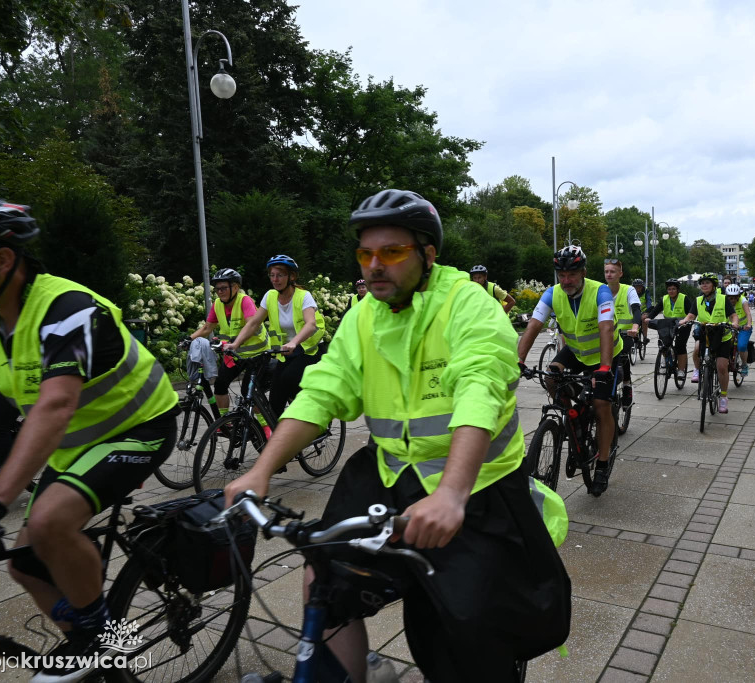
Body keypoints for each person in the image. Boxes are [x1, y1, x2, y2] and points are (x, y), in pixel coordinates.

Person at [223, 189, 571, 683]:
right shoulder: (363, 315)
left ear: (428, 255)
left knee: (462, 636)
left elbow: (481, 389)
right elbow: (322, 391)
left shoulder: (467, 304)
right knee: (324, 574)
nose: (374, 265)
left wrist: (451, 494)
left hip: (477, 488)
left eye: (391, 252)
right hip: (389, 473)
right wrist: (261, 470)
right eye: (366, 253)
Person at [0, 197, 179, 682]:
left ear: (2, 258)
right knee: (23, 565)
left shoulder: (65, 308)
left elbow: (55, 405)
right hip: (76, 445)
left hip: (139, 427)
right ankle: (88, 645)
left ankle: (104, 640)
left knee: (49, 521)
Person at [517, 244, 622, 496]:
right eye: (561, 275)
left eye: (572, 275)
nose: (566, 280)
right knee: (553, 377)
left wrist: (605, 368)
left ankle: (603, 464)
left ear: (583, 272)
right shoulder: (552, 294)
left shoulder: (601, 292)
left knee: (600, 404)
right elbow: (533, 325)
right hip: (576, 351)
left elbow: (606, 328)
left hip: (604, 353)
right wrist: (518, 360)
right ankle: (572, 417)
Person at [229, 255, 326, 420]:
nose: (275, 279)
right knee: (275, 400)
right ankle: (284, 435)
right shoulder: (270, 296)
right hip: (286, 352)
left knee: (289, 379)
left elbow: (311, 324)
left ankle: (313, 413)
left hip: (310, 349)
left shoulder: (303, 296)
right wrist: (235, 344)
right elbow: (254, 323)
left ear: (291, 277)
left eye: (280, 275)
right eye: (272, 275)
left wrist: (294, 342)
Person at [189, 268, 270, 414]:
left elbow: (252, 325)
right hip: (234, 354)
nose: (220, 292)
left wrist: (235, 343)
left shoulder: (245, 301)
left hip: (257, 355)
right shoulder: (218, 304)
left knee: (249, 392)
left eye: (224, 288)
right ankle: (225, 422)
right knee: (220, 385)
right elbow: (208, 327)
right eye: (217, 289)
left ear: (236, 287)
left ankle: (265, 428)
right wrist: (188, 339)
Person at [690, 273, 739, 413]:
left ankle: (723, 397)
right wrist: (685, 320)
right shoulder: (698, 299)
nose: (704, 285)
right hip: (706, 335)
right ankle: (698, 371)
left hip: (722, 336)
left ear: (713, 285)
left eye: (707, 282)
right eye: (702, 283)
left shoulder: (723, 299)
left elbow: (733, 315)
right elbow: (691, 315)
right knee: (696, 349)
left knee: (721, 366)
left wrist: (734, 323)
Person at [641, 279, 697, 382]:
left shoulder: (684, 298)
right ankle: (667, 357)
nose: (671, 291)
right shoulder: (664, 299)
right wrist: (649, 318)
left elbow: (692, 312)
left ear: (678, 290)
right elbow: (656, 310)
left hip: (683, 325)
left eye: (673, 289)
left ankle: (681, 370)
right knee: (664, 343)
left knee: (680, 346)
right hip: (668, 324)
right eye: (669, 289)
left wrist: (687, 321)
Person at [603, 258, 642, 406]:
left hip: (625, 333)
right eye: (606, 271)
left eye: (612, 271)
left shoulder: (628, 290)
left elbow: (636, 310)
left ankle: (626, 385)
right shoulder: (601, 290)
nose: (609, 274)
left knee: (622, 356)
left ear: (620, 274)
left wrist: (634, 328)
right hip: (607, 334)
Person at [724, 284, 753, 376]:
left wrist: (748, 324)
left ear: (738, 296)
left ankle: (744, 365)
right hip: (729, 327)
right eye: (730, 298)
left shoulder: (743, 301)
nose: (732, 300)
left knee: (741, 346)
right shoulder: (723, 301)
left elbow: (748, 313)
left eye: (735, 298)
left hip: (743, 327)